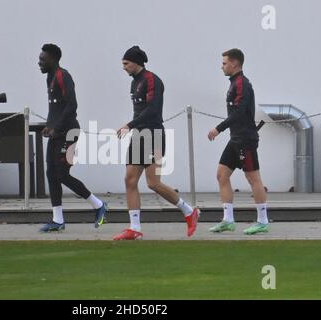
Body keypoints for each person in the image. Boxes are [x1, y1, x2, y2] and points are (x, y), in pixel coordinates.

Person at [114, 46, 200, 241]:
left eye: (126, 63)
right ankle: (134, 228)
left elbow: (152, 110)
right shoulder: (134, 82)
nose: (123, 67)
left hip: (153, 135)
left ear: (137, 62)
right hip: (138, 135)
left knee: (153, 183)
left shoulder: (152, 80)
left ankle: (188, 211)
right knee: (129, 180)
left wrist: (130, 124)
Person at [38, 43, 107, 232]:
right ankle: (58, 220)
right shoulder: (50, 78)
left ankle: (99, 205)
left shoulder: (63, 76)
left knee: (62, 175)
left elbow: (71, 106)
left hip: (69, 133)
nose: (39, 63)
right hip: (57, 133)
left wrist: (57, 127)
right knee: (51, 174)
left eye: (43, 60)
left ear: (54, 59)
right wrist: (49, 126)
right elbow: (56, 107)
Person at [207, 48, 269, 235]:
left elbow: (239, 112)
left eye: (224, 63)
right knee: (221, 175)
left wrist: (218, 128)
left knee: (253, 179)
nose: (222, 67)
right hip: (235, 140)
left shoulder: (242, 83)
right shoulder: (234, 83)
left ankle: (263, 221)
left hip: (245, 140)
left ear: (234, 64)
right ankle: (228, 220)